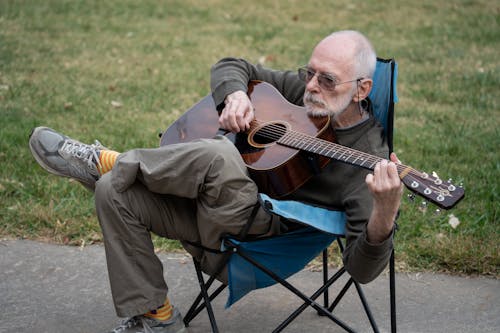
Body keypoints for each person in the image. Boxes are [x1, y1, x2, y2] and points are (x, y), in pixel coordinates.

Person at [28, 30, 403, 333]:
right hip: (208, 206)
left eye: (327, 79)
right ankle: (156, 318)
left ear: (362, 90)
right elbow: (231, 65)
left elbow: (362, 270)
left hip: (256, 238)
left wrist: (384, 212)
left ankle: (107, 161)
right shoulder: (304, 93)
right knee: (115, 192)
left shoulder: (367, 161)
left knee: (219, 154)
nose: (311, 86)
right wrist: (236, 94)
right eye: (309, 73)